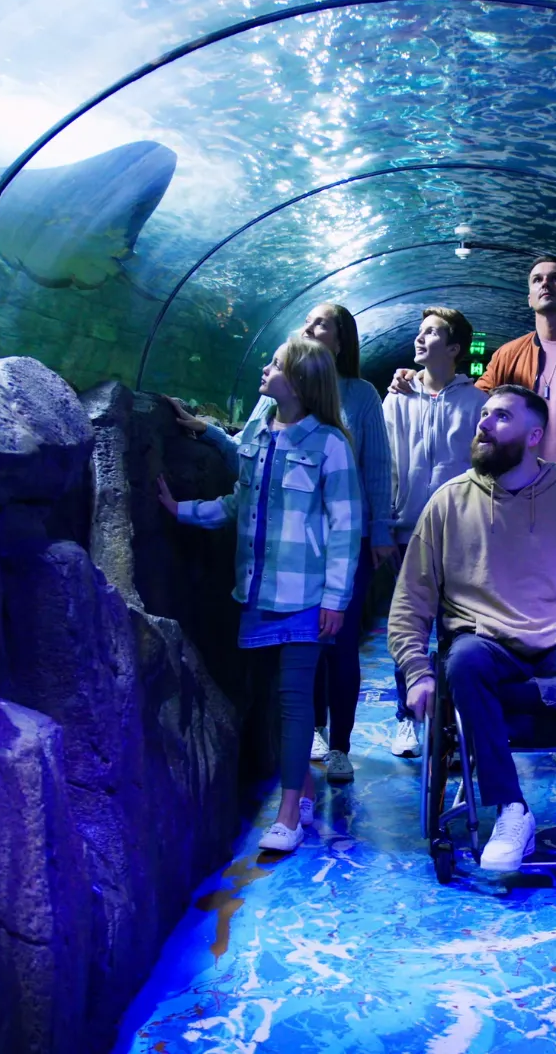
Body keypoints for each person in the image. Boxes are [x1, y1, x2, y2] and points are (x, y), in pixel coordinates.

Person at [387, 384, 556, 872]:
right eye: (484, 414)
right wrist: (417, 670)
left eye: (500, 417)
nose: (484, 423)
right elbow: (410, 601)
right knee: (461, 664)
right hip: (483, 642)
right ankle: (512, 809)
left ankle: (497, 700)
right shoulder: (447, 503)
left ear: (534, 436)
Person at [173, 303, 393, 785]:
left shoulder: (358, 398)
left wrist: (380, 532)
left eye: (323, 326)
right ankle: (306, 741)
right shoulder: (275, 398)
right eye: (308, 323)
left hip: (340, 541)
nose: (312, 330)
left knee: (339, 645)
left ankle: (339, 745)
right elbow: (249, 458)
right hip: (285, 557)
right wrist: (207, 431)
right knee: (298, 659)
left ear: (342, 340)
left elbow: (374, 466)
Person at [157, 335, 361, 853]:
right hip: (257, 590)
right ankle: (305, 790)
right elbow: (236, 503)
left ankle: (289, 812)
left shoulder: (330, 444)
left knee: (294, 702)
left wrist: (336, 599)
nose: (265, 371)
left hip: (306, 594)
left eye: (275, 365)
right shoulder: (258, 428)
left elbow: (345, 526)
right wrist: (180, 509)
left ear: (300, 381)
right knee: (276, 698)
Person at [393, 256, 556, 531]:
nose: (546, 283)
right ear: (529, 298)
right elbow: (468, 398)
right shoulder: (509, 355)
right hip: (521, 497)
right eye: (537, 279)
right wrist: (421, 378)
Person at [378, 306, 488, 758]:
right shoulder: (397, 397)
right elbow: (382, 466)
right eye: (419, 333)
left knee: (456, 629)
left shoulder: (476, 401)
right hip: (407, 529)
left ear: (455, 348)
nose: (420, 339)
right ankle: (409, 717)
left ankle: (449, 722)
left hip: (462, 533)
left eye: (431, 333)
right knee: (409, 626)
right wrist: (382, 525)